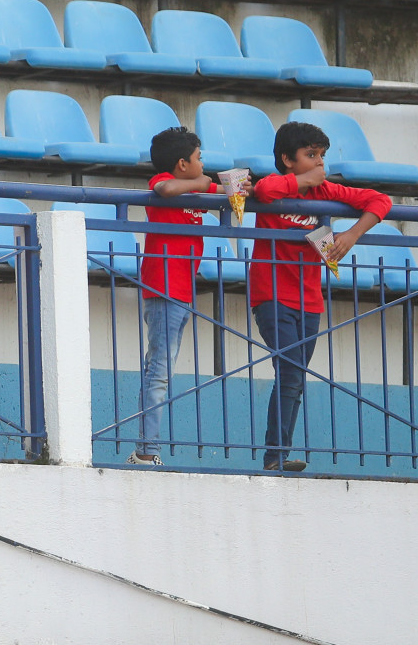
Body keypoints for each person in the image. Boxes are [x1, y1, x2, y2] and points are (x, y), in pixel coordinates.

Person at [248, 121, 390, 472]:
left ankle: (277, 454)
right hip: (272, 294)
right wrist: (303, 181)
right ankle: (274, 456)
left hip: (309, 300)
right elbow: (264, 191)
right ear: (287, 159)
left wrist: (353, 234)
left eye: (322, 155)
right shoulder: (278, 186)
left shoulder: (324, 191)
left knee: (294, 378)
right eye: (310, 155)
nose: (319, 163)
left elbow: (380, 199)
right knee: (292, 371)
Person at [128, 126, 236, 466]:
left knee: (161, 369)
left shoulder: (193, 187)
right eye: (198, 159)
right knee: (158, 371)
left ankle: (148, 447)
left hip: (182, 291)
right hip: (163, 289)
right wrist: (202, 185)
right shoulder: (164, 181)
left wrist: (240, 188)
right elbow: (166, 188)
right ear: (181, 164)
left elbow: (225, 191)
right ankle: (147, 451)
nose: (203, 164)